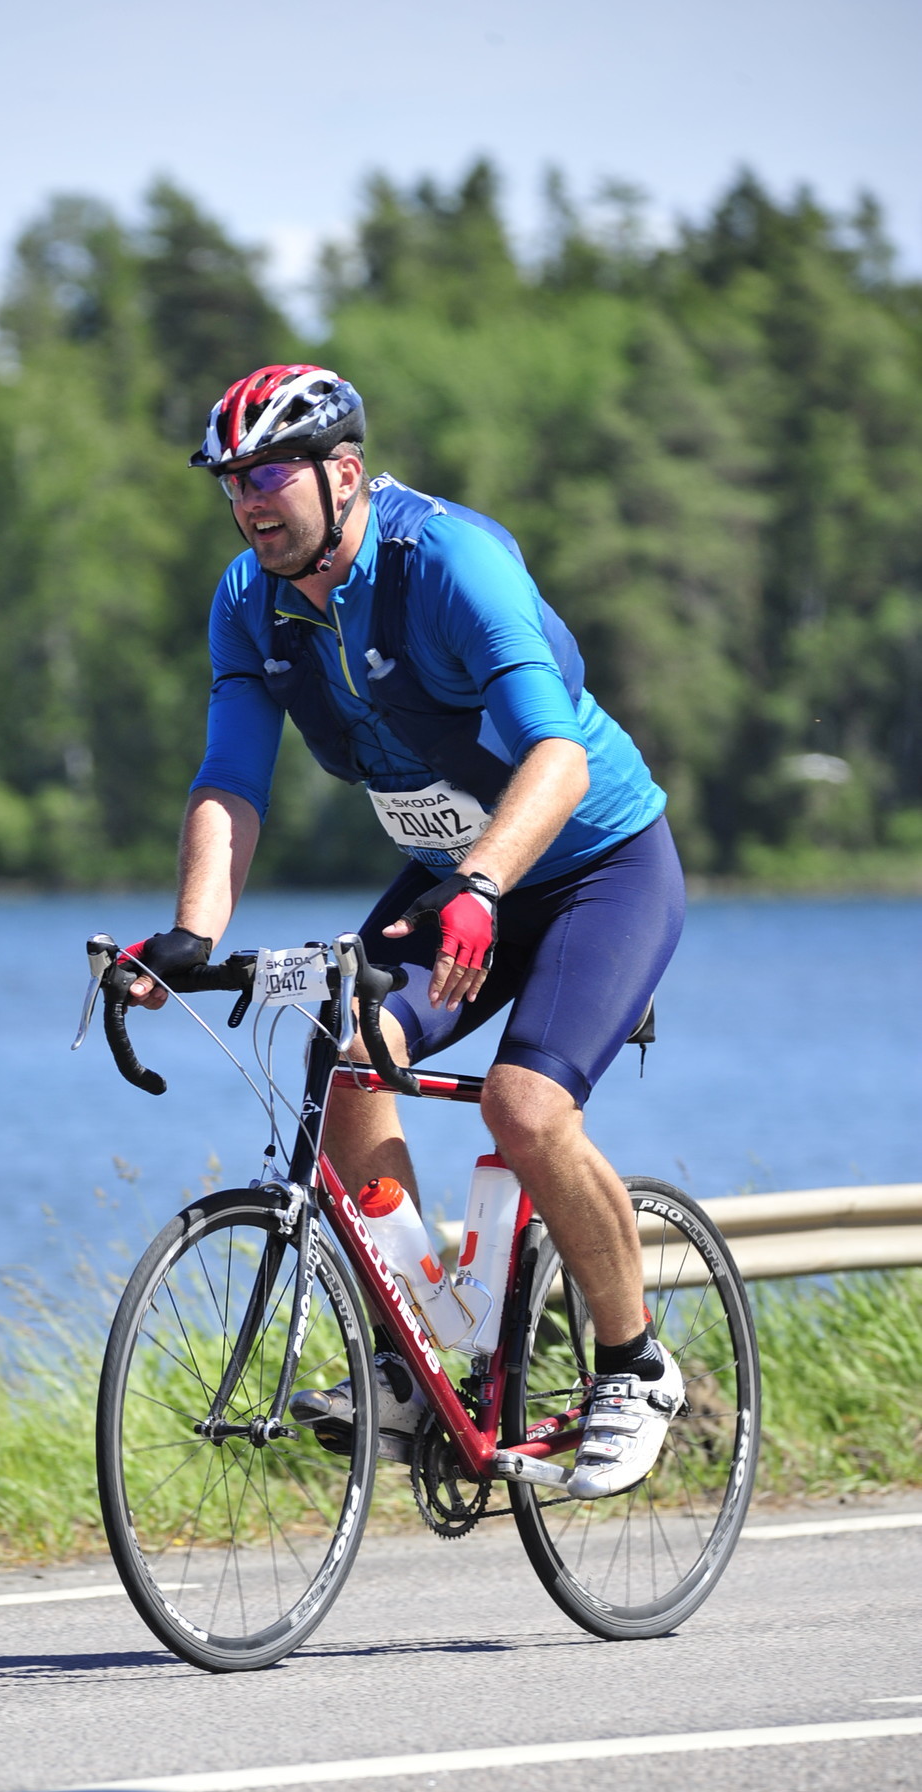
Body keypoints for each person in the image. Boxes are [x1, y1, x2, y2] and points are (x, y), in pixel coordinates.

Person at [125, 363, 686, 1498]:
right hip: (452, 877)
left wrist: (481, 882)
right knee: (344, 1059)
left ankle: (635, 1365)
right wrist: (190, 933)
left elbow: (557, 756)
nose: (247, 501)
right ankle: (409, 1358)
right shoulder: (251, 600)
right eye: (232, 482)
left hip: (597, 869)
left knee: (524, 1107)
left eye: (269, 475)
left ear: (343, 473)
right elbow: (231, 778)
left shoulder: (449, 564)